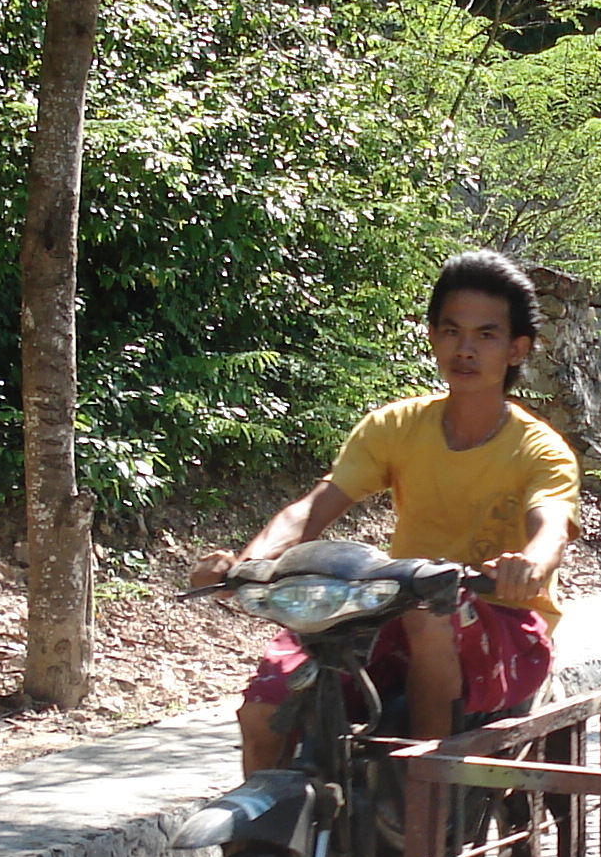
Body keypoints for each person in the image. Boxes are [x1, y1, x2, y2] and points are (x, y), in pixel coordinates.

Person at [194, 251, 579, 774]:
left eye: (486, 336)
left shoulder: (540, 449)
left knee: (427, 617)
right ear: (432, 337)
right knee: (265, 706)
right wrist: (246, 563)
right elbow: (314, 506)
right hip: (394, 598)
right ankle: (260, 840)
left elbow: (551, 523)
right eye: (451, 331)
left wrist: (528, 566)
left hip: (500, 618)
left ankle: (423, 801)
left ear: (517, 349)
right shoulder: (395, 427)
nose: (464, 350)